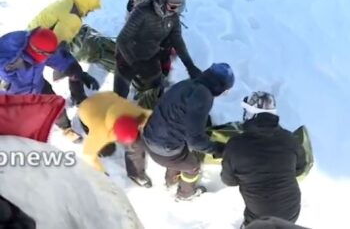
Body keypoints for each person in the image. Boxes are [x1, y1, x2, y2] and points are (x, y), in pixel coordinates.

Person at [142, 63, 234, 200]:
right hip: (163, 149)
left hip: (149, 134)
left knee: (180, 153)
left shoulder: (187, 84)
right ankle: (185, 194)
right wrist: (218, 149)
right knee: (192, 166)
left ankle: (171, 180)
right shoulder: (203, 96)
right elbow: (195, 141)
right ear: (220, 87)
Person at [221, 91, 306, 227]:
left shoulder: (235, 145)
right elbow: (301, 167)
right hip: (291, 209)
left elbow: (228, 180)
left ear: (250, 114)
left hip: (259, 213)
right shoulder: (289, 139)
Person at [0, 28, 87, 142]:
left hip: (38, 85)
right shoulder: (8, 54)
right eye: (47, 54)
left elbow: (58, 58)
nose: (48, 57)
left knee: (54, 106)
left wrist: (75, 70)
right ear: (36, 50)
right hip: (14, 99)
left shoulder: (41, 47)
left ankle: (66, 128)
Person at [114, 0, 201, 99]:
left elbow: (178, 41)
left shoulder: (173, 17)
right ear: (163, 2)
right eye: (173, 7)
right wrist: (134, 63)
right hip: (127, 58)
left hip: (150, 58)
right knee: (119, 97)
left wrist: (190, 66)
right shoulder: (143, 12)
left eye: (179, 8)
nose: (176, 11)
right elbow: (122, 39)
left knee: (155, 91)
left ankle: (145, 104)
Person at [28, 0, 101, 105]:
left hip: (30, 38)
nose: (90, 11)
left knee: (40, 83)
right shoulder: (72, 19)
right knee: (74, 70)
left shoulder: (67, 3)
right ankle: (78, 99)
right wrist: (77, 72)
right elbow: (56, 45)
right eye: (91, 8)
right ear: (86, 5)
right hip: (41, 47)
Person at [78, 91, 153, 187]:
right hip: (85, 109)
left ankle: (136, 174)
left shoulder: (133, 111)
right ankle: (105, 149)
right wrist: (100, 174)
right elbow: (88, 155)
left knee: (136, 145)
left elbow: (148, 115)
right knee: (106, 150)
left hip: (107, 97)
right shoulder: (100, 133)